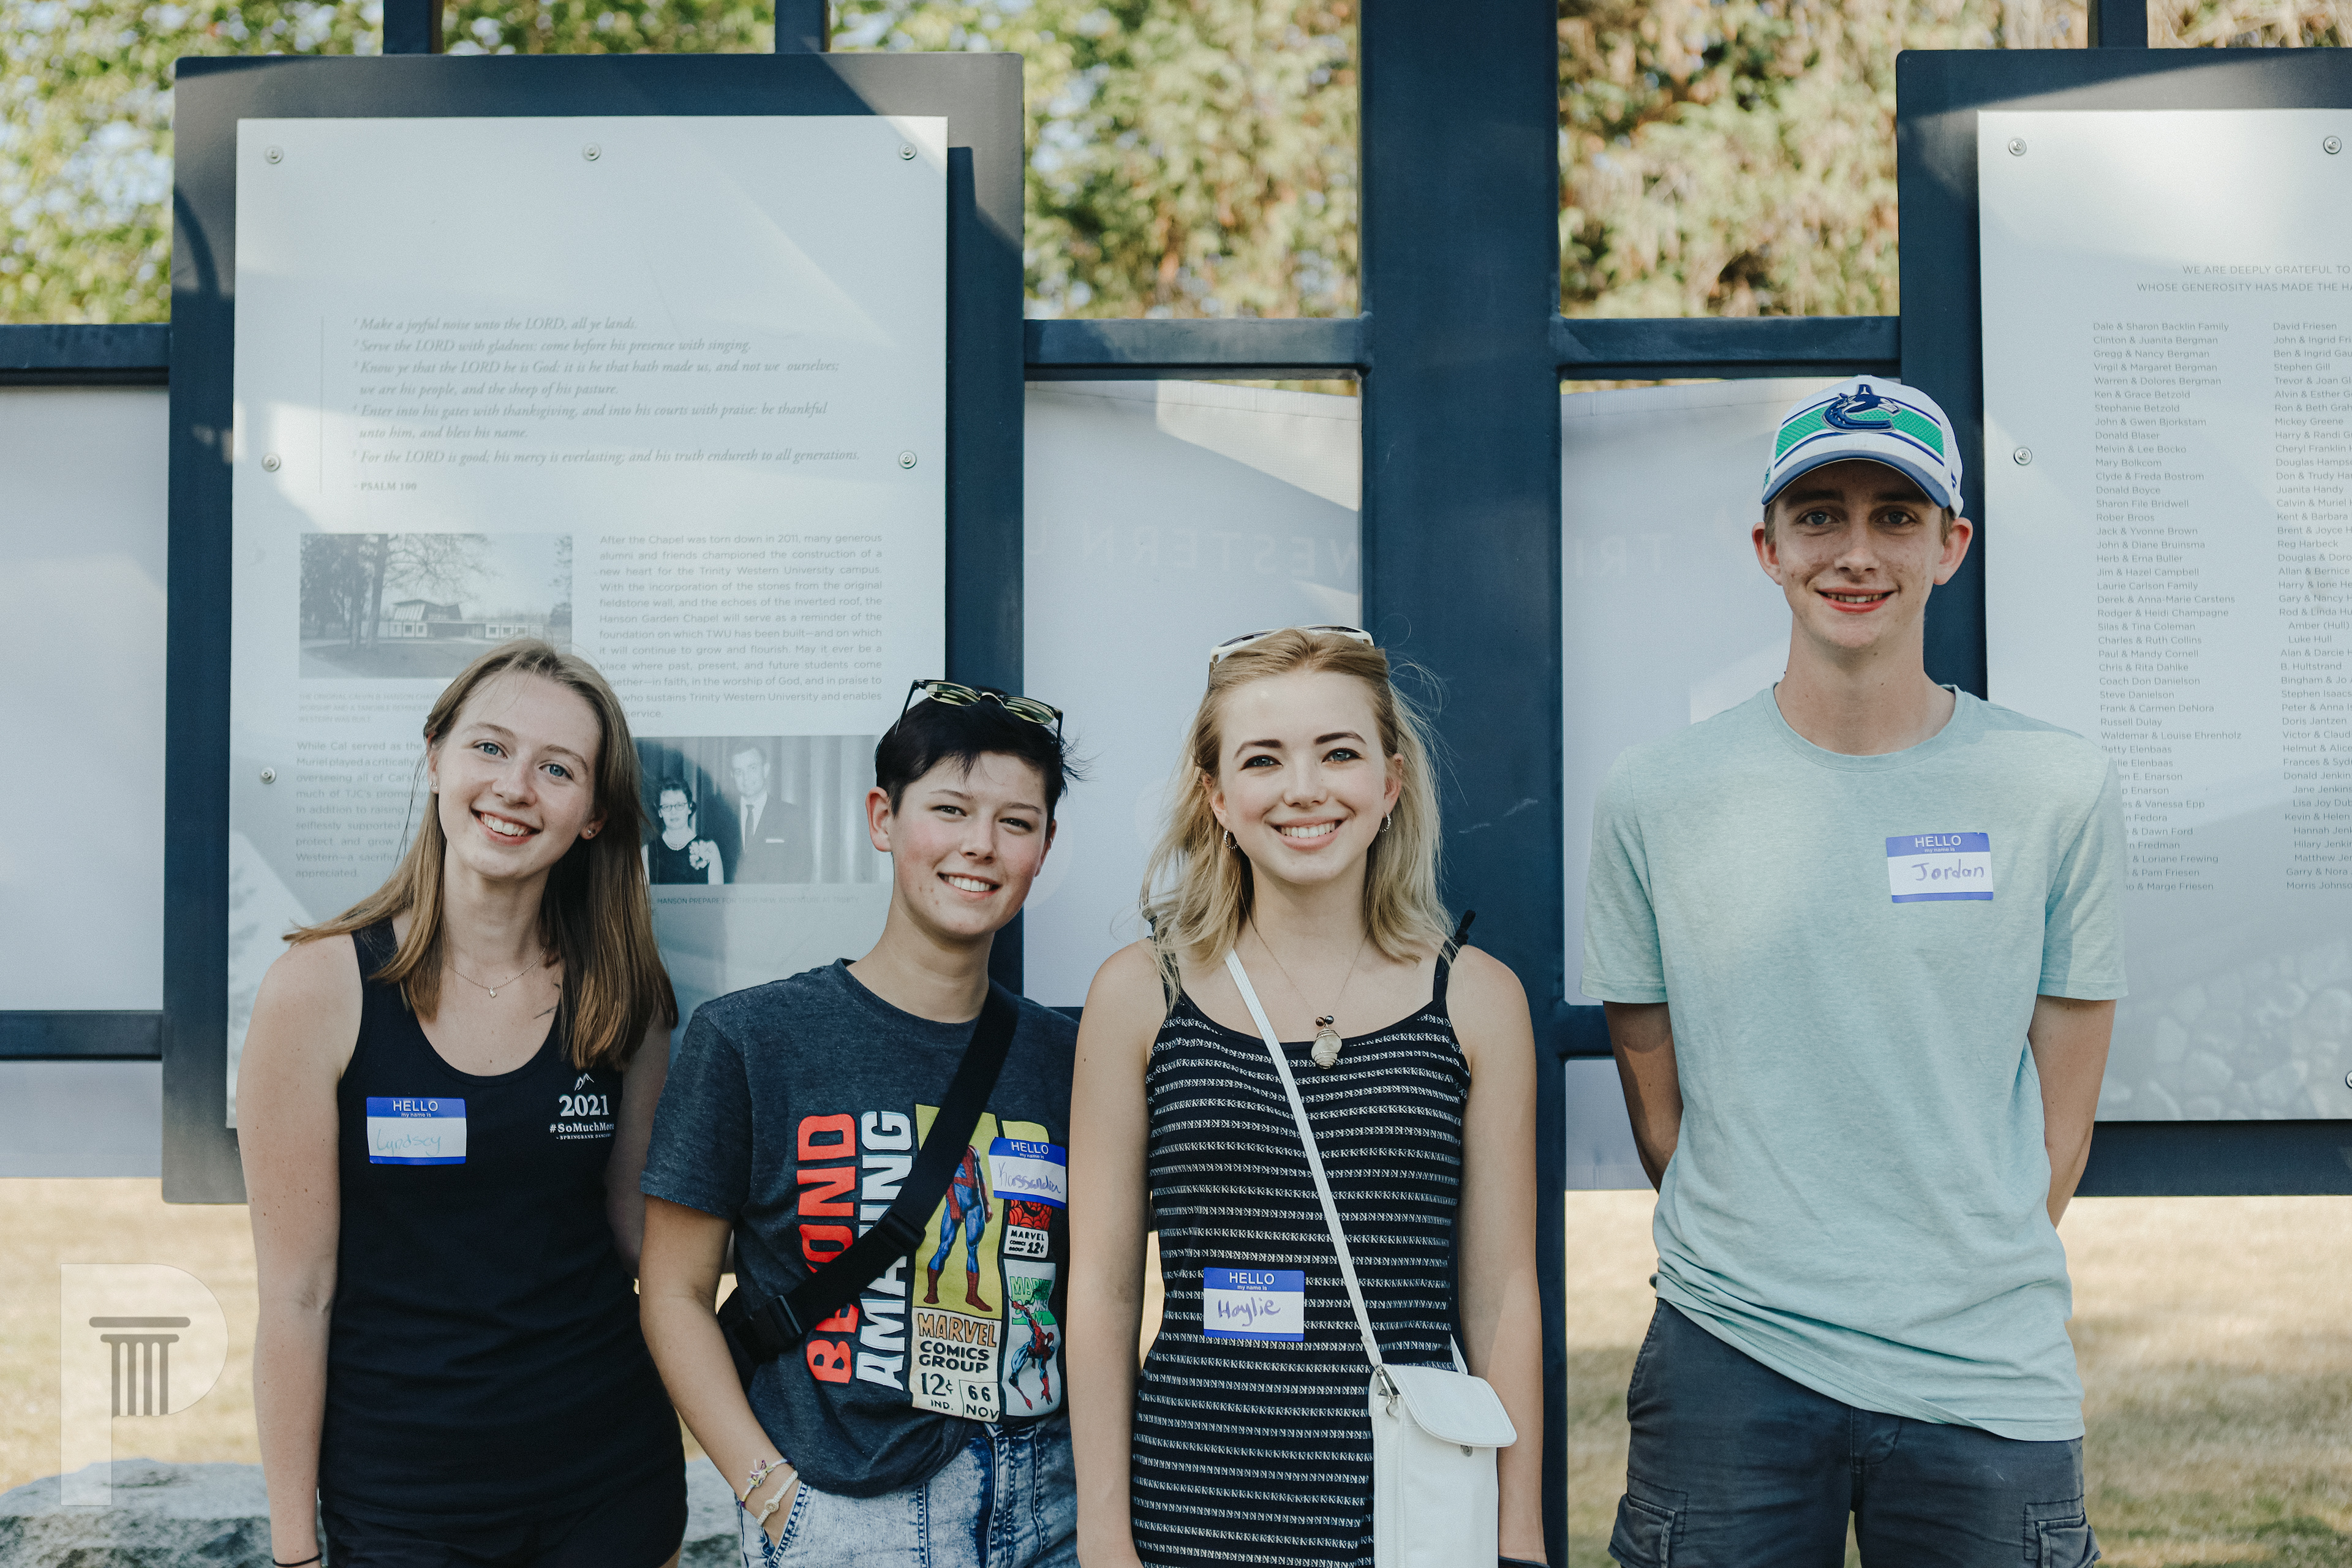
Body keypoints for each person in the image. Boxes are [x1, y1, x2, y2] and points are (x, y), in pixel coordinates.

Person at [1583, 377, 2124, 1567]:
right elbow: (1659, 1106)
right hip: (1733, 1351)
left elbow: (2064, 1125)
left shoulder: (2056, 788)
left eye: (1896, 515)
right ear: (1768, 548)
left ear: (1951, 545)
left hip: (1984, 1368)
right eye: (1820, 515)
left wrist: (1947, 1266)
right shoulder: (1659, 796)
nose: (1857, 550)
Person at [1066, 626, 1547, 1568]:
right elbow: (1105, 1290)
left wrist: (1519, 1538)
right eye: (1263, 760)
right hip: (1188, 1518)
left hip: (1409, 1522)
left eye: (1338, 753)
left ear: (1391, 782)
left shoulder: (1477, 999)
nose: (1304, 789)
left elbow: (1502, 1296)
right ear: (1217, 796)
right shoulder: (1140, 994)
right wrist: (1104, 1537)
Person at [239, 639, 687, 1568]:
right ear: (436, 756)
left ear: (594, 816)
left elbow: (642, 1242)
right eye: (490, 747)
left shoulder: (625, 997)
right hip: (406, 1504)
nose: (515, 787)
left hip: (610, 1487)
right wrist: (293, 1550)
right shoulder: (318, 990)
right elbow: (296, 1294)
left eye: (557, 769)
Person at [638, 679, 1082, 1568]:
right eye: (950, 809)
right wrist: (775, 1497)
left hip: (1049, 1509)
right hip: (852, 1518)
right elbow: (674, 1295)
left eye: (1016, 822)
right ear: (884, 818)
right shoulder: (752, 1041)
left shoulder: (1069, 1056)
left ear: (1044, 847)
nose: (980, 845)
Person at [726, 741, 814, 883]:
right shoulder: (721, 818)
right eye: (739, 772)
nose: (746, 777)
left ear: (766, 770)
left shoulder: (792, 817)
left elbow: (802, 872)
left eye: (752, 768)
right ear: (732, 776)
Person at [647, 777, 723, 886]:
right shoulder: (647, 852)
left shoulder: (710, 848)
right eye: (667, 807)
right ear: (660, 812)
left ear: (689, 807)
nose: (673, 812)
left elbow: (717, 895)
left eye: (679, 805)